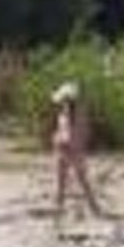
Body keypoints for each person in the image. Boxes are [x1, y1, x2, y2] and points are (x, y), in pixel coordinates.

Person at [50, 82, 104, 225]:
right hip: (64, 148)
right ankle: (60, 209)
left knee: (81, 180)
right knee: (62, 182)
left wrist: (75, 146)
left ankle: (94, 208)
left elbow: (81, 133)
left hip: (72, 149)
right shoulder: (65, 112)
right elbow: (63, 131)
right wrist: (58, 141)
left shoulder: (78, 114)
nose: (63, 102)